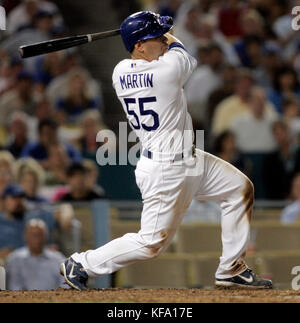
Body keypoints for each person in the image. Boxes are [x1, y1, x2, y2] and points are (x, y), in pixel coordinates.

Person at [60, 11, 272, 290]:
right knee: (151, 244)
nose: (161, 40)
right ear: (139, 46)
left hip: (190, 159)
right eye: (154, 37)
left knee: (239, 188)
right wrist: (159, 31)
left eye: (160, 36)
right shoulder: (168, 71)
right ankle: (82, 263)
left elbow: (159, 48)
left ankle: (231, 267)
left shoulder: (120, 71)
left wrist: (143, 30)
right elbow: (178, 46)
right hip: (165, 169)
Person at [5, 218, 65, 290]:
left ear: (46, 237)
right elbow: (13, 287)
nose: (37, 239)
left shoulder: (58, 260)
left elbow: (65, 286)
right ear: (25, 237)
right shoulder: (14, 260)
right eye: (33, 235)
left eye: (40, 235)